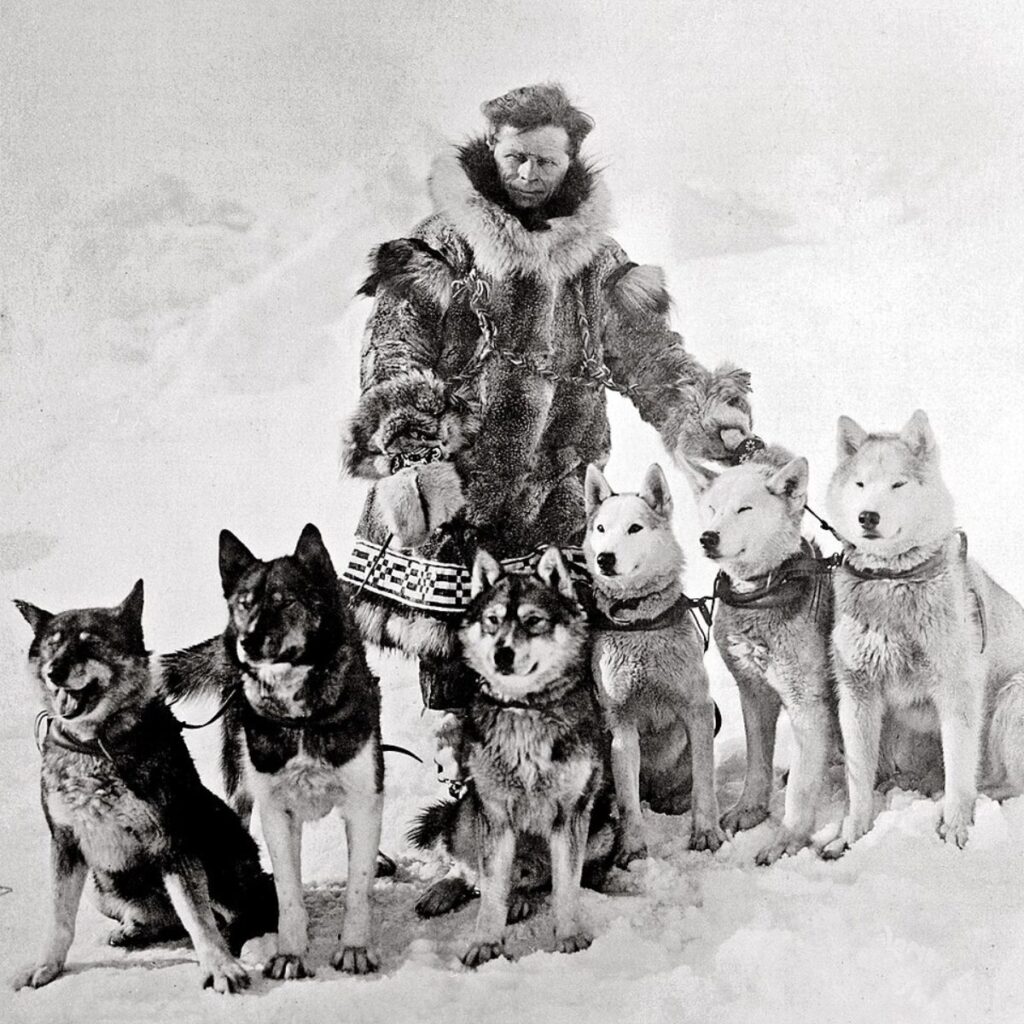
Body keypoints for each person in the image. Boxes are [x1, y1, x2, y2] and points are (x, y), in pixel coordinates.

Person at [341, 82, 755, 710]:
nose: (529, 174)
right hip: (460, 493)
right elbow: (395, 353)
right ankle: (474, 786)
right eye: (515, 158)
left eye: (546, 161)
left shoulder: (599, 262)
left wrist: (703, 414)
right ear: (492, 151)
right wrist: (411, 450)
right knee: (466, 664)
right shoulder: (438, 248)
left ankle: (605, 784)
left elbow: (649, 356)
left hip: (559, 495)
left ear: (571, 163)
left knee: (567, 656)